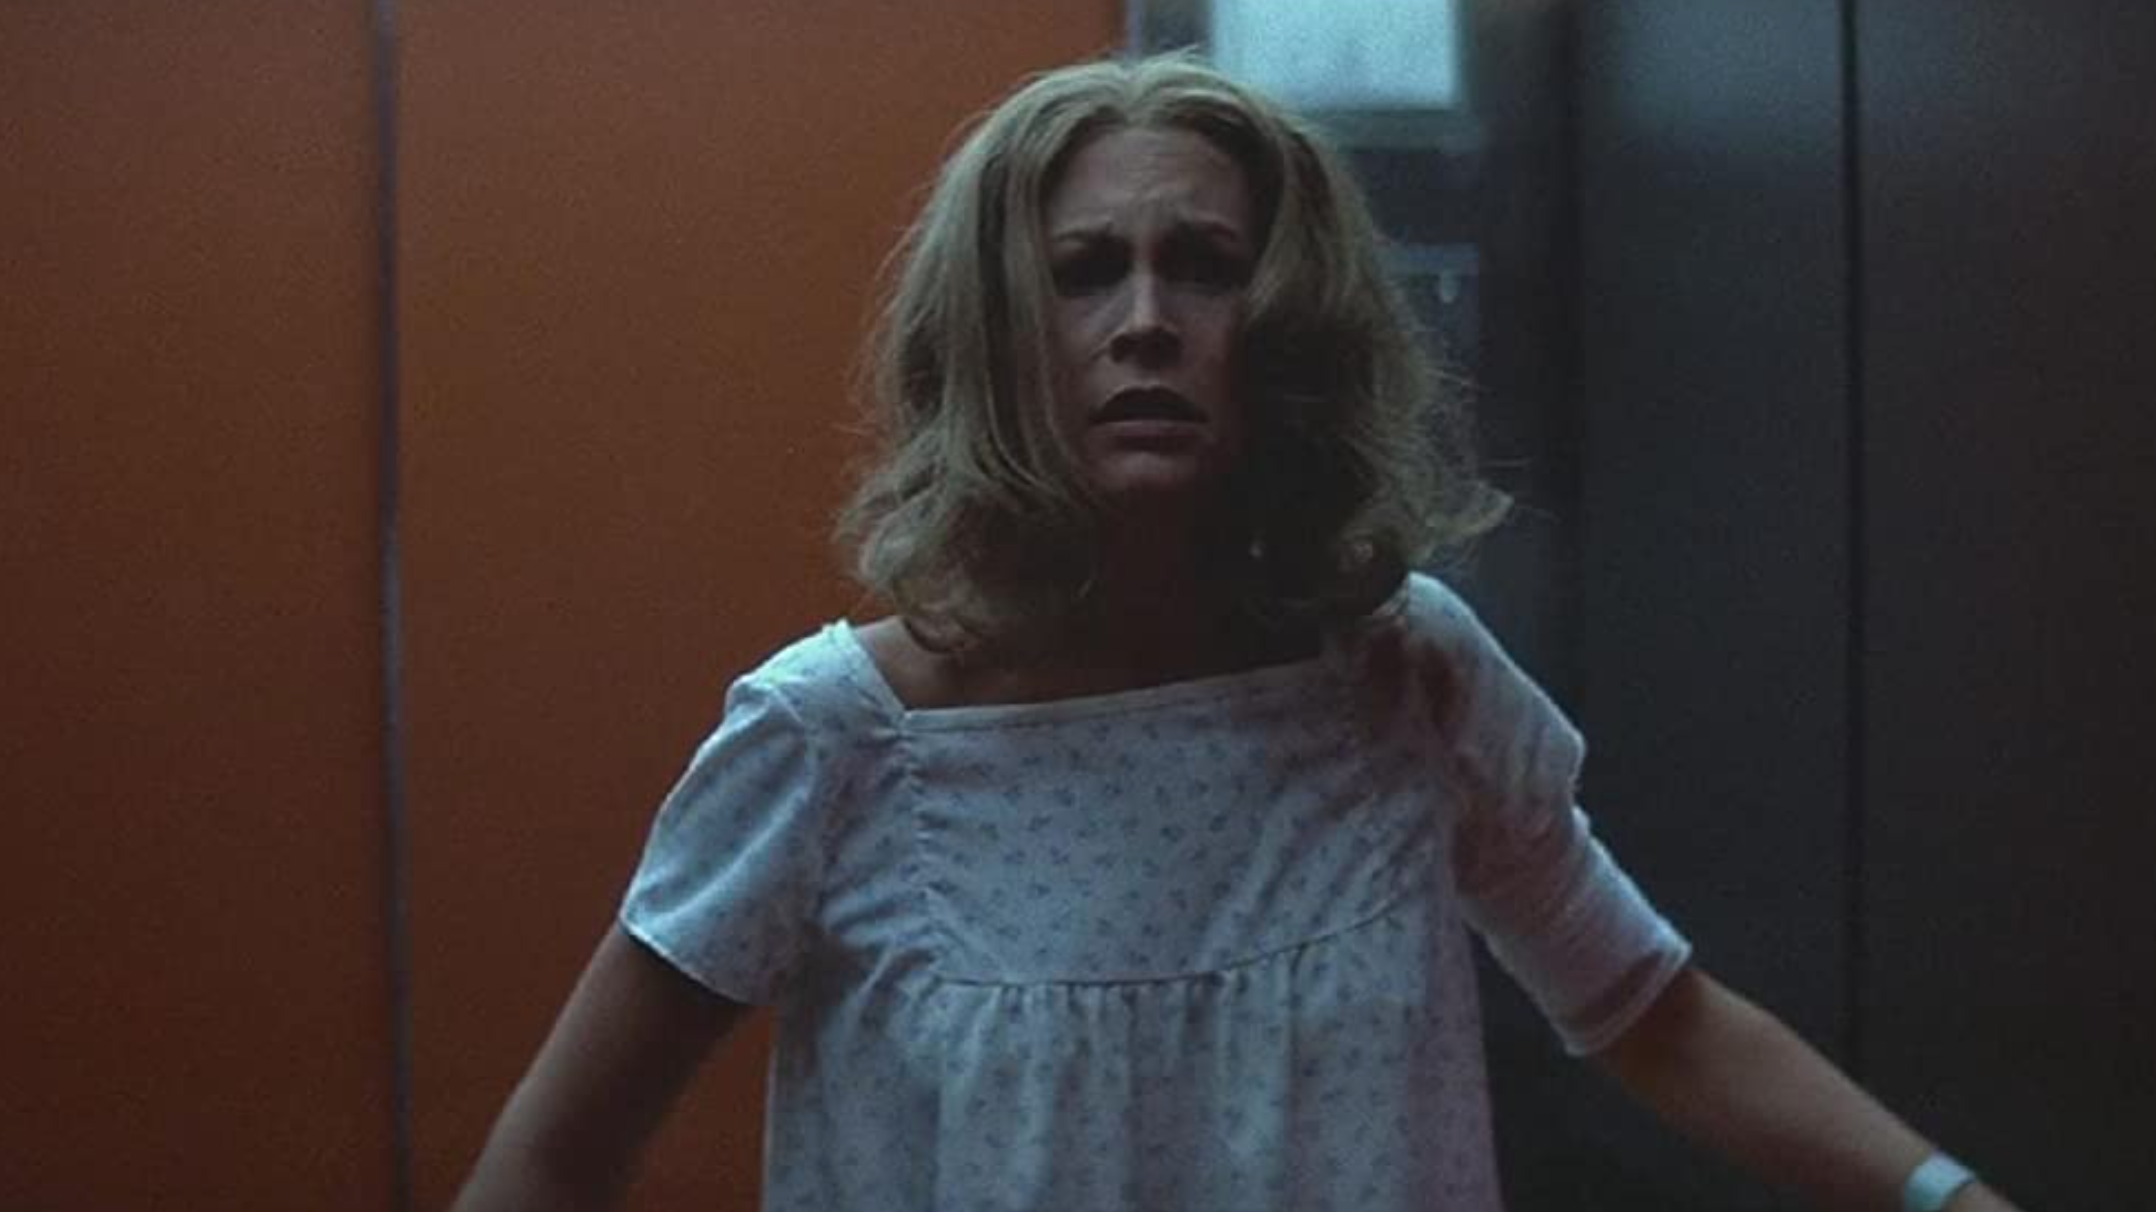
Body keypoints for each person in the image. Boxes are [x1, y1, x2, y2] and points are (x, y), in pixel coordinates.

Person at [452, 54, 2022, 1212]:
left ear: (1287, 326)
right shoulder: (834, 741)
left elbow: (1655, 1019)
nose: (1146, 321)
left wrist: (1949, 1198)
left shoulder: (1406, 679)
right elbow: (555, 1157)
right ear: (999, 334)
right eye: (1084, 274)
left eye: (1204, 267)